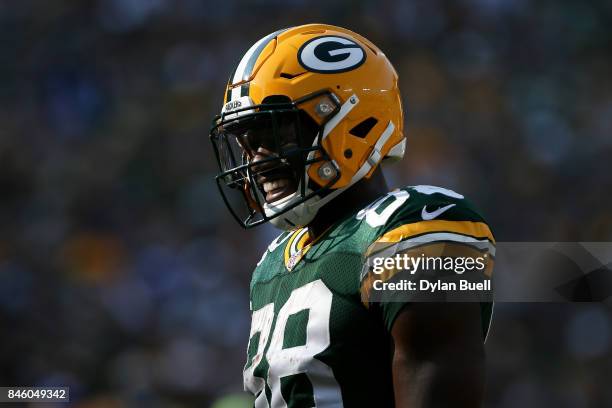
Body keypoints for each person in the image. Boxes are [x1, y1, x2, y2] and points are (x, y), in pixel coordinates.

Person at [210, 23, 495, 408]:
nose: (256, 161)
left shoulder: (421, 223)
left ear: (353, 121)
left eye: (275, 135)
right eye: (248, 142)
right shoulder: (273, 263)